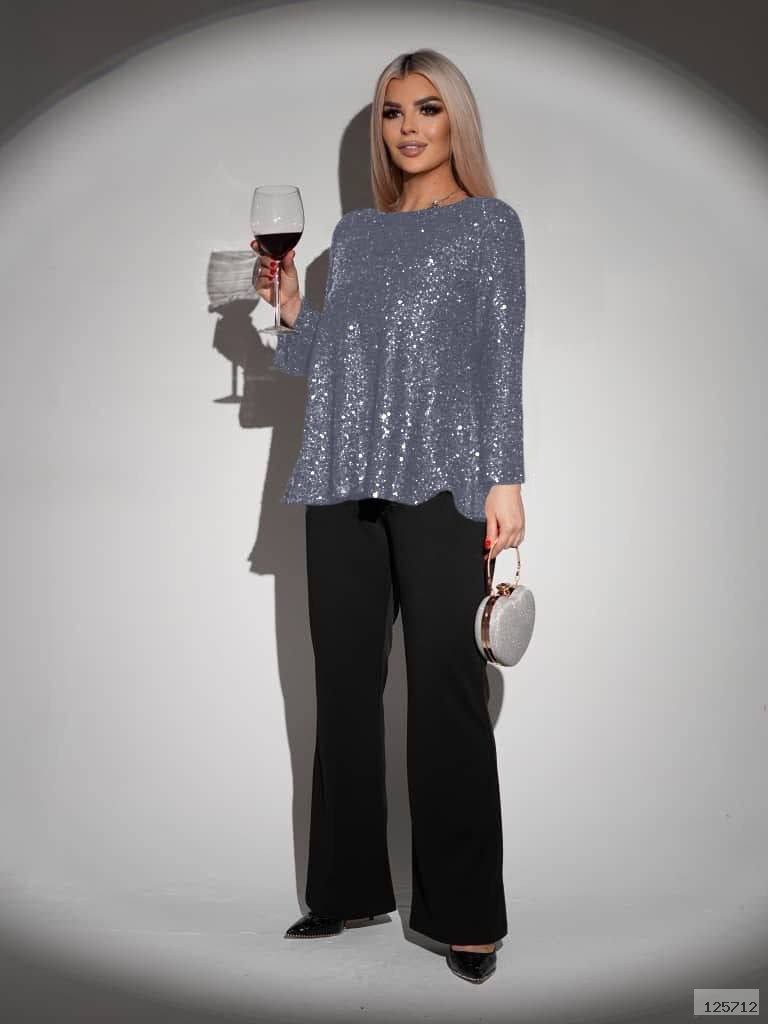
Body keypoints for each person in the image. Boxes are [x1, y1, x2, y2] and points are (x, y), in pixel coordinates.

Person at [251, 48, 526, 986]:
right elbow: (330, 365)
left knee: (447, 692)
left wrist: (506, 479)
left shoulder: (489, 225)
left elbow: (500, 356)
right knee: (342, 685)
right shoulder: (356, 236)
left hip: (444, 480)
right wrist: (293, 313)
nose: (408, 128)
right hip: (341, 481)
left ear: (457, 122)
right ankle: (347, 889)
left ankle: (468, 916)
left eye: (427, 109)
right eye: (393, 112)